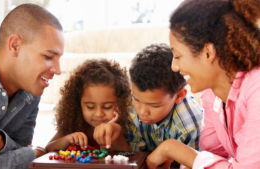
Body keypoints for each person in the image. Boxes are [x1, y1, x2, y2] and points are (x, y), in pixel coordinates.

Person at [145, 0, 260, 169]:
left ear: (208, 52)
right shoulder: (212, 94)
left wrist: (172, 148)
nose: (174, 66)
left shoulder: (256, 91)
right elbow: (211, 157)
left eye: (177, 56)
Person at [0, 4, 64, 169]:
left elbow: (20, 146)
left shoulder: (31, 90)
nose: (58, 70)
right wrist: (34, 154)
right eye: (48, 56)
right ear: (15, 46)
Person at [123, 43, 203, 168]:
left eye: (154, 105)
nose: (142, 111)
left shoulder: (190, 123)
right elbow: (135, 159)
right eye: (136, 99)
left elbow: (194, 164)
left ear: (179, 96)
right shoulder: (130, 110)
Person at [45, 59, 132, 152]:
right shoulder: (72, 124)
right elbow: (48, 149)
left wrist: (113, 134)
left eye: (107, 107)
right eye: (90, 107)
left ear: (121, 102)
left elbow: (129, 159)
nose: (99, 114)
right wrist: (67, 139)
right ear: (78, 104)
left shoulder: (125, 127)